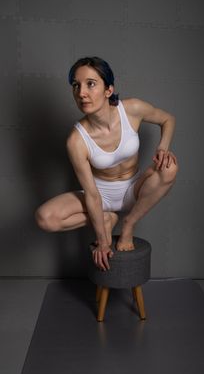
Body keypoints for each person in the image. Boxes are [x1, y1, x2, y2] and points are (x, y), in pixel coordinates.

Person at [35, 56, 178, 272]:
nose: (81, 93)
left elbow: (168, 119)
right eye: (76, 85)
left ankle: (129, 222)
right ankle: (108, 218)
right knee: (45, 218)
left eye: (90, 84)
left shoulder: (132, 109)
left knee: (170, 168)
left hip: (134, 188)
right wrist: (103, 239)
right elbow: (92, 194)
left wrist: (163, 148)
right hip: (99, 195)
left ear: (108, 90)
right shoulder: (76, 140)